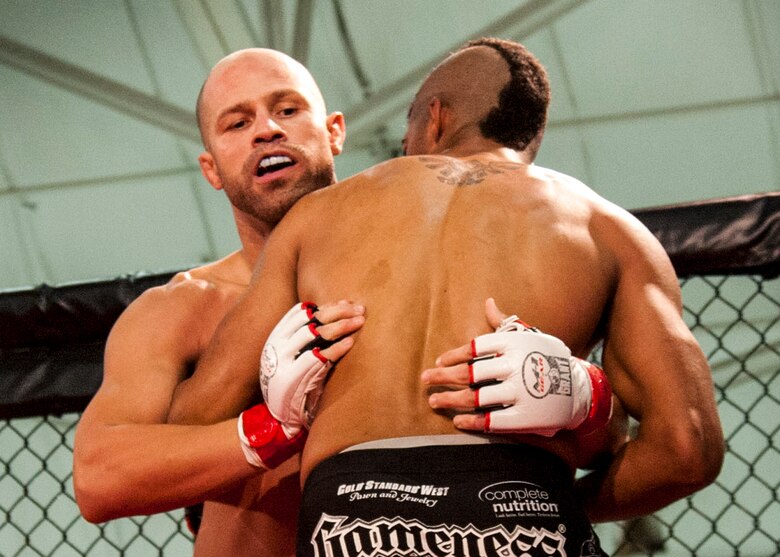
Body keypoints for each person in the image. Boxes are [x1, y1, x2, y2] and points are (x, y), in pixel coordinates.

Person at [168, 37, 724, 556]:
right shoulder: (608, 228)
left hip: (353, 525)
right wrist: (563, 482)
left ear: (435, 118)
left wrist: (275, 413)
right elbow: (689, 448)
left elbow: (189, 423)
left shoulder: (315, 218)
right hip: (524, 514)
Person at [72, 48, 365, 557]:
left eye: (288, 109)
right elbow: (100, 477)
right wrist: (275, 429)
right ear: (210, 168)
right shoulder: (181, 309)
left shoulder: (407, 267)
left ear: (334, 131)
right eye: (237, 123)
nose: (267, 130)